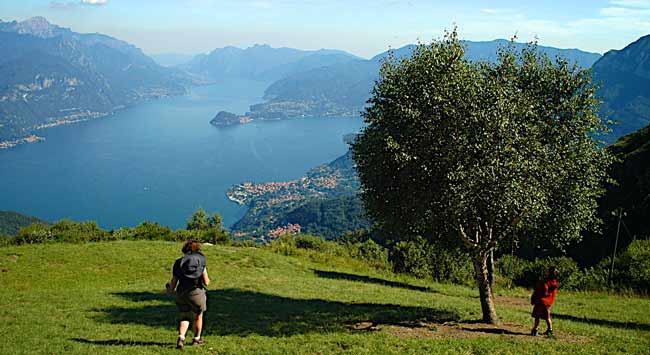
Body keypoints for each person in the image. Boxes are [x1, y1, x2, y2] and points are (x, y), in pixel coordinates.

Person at [166, 240, 211, 349]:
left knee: (184, 315)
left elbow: (173, 283)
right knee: (198, 315)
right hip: (196, 293)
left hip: (182, 293)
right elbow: (206, 282)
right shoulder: (200, 263)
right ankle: (196, 339)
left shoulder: (178, 263)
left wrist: (169, 288)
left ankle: (181, 338)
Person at [530, 266, 559, 336]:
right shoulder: (554, 284)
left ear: (549, 273)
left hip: (540, 302)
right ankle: (550, 330)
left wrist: (533, 298)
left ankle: (535, 329)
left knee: (537, 316)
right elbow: (552, 294)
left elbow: (539, 291)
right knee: (547, 317)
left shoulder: (544, 282)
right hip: (547, 304)